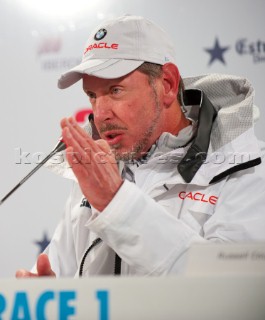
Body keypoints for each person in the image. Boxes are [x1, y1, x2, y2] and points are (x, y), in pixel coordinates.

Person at [16, 14, 265, 278]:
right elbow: (60, 272)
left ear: (167, 85)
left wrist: (117, 202)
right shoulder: (96, 172)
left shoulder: (248, 168)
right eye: (92, 96)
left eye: (115, 91)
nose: (100, 114)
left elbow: (233, 288)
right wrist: (50, 298)